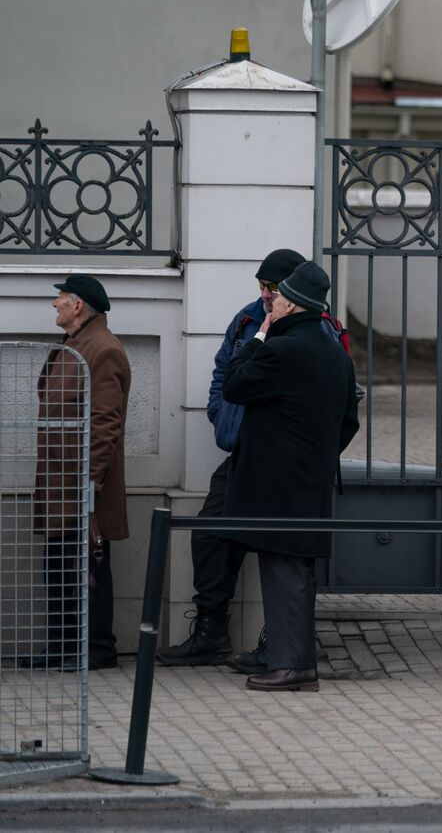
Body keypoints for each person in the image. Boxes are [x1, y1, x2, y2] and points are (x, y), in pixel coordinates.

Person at [158, 248, 308, 668]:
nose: (264, 293)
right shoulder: (246, 319)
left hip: (286, 458)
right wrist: (219, 412)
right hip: (244, 452)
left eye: (272, 288)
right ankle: (211, 630)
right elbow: (223, 370)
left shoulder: (314, 327)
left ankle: (278, 639)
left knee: (283, 543)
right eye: (260, 285)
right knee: (210, 531)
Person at [222, 262, 360, 692]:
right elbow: (348, 422)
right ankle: (296, 664)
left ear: (291, 306)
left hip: (276, 484)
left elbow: (234, 383)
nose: (271, 304)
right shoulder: (336, 355)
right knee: (297, 572)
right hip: (311, 481)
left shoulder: (280, 350)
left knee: (282, 572)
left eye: (277, 299)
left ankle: (291, 665)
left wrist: (258, 335)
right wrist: (316, 456)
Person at [33, 275, 131, 671]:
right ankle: (62, 646)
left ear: (78, 305)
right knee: (59, 565)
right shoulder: (75, 344)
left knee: (88, 567)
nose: (55, 304)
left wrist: (89, 481)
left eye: (60, 298)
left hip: (81, 485)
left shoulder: (103, 349)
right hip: (61, 482)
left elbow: (106, 421)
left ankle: (97, 649)